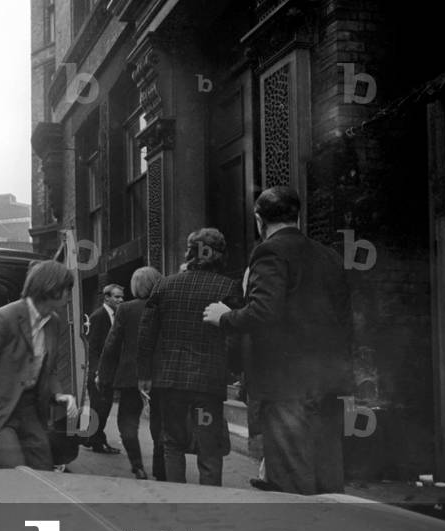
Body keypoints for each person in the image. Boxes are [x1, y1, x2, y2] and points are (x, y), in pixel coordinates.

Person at [203, 186, 352, 495]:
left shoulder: (269, 251)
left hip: (286, 384)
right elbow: (345, 319)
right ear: (297, 215)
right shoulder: (329, 256)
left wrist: (225, 316)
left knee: (291, 477)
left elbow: (264, 311)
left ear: (259, 220)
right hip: (328, 381)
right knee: (327, 473)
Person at [138, 228, 242, 486]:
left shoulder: (164, 285)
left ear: (189, 252)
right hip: (208, 382)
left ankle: (177, 500)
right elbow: (237, 335)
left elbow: (146, 334)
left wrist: (144, 374)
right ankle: (210, 503)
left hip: (170, 382)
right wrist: (234, 370)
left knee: (172, 443)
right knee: (209, 446)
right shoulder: (228, 287)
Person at [0, 260, 79, 470]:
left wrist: (59, 394)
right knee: (14, 473)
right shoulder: (2, 319)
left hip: (29, 410)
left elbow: (48, 370)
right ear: (51, 288)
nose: (70, 295)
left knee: (44, 471)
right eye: (67, 289)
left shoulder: (53, 322)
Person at [98, 266, 164, 480]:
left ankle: (137, 465)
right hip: (161, 374)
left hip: (130, 375)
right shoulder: (165, 307)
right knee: (160, 422)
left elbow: (112, 344)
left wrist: (104, 374)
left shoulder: (125, 309)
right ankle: (160, 467)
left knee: (127, 421)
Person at [82, 283, 125, 454]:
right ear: (106, 298)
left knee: (101, 407)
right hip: (99, 371)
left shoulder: (115, 315)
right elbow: (92, 347)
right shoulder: (99, 316)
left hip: (108, 370)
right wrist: (95, 371)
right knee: (100, 407)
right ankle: (96, 441)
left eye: (122, 297)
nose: (121, 300)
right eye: (117, 297)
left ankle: (91, 438)